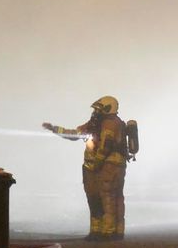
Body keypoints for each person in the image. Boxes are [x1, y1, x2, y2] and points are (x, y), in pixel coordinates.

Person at [42, 95, 129, 240]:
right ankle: (100, 230)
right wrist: (54, 129)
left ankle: (109, 231)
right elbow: (74, 133)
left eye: (99, 109)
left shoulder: (111, 124)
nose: (96, 112)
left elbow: (105, 146)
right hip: (101, 167)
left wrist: (96, 164)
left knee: (108, 198)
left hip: (108, 167)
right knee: (98, 197)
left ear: (109, 109)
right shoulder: (96, 123)